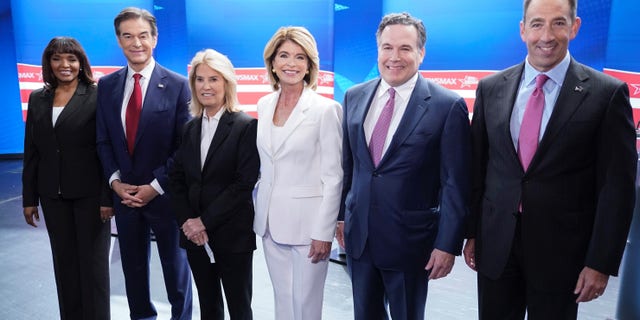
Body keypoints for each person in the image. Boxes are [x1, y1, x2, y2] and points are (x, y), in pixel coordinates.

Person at [463, 0, 636, 318]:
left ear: (575, 26)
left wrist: (600, 262)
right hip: (497, 247)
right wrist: (471, 232)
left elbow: (617, 188)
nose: (547, 35)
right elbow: (479, 169)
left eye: (558, 23)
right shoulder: (490, 89)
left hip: (563, 255)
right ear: (522, 29)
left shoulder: (606, 94)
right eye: (537, 23)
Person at [336, 12, 471, 320]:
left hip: (411, 244)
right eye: (387, 47)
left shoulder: (447, 105)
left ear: (421, 53)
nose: (394, 57)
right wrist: (342, 218)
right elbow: (351, 166)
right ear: (378, 50)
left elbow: (455, 184)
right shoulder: (355, 97)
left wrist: (447, 244)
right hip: (361, 239)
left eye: (405, 48)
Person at [96, 7, 192, 320]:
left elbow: (184, 147)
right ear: (119, 40)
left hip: (165, 197)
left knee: (175, 272)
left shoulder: (179, 85)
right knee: (133, 270)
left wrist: (154, 186)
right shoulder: (107, 86)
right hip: (124, 198)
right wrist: (114, 183)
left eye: (142, 35)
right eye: (127, 36)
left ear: (154, 38)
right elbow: (103, 140)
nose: (136, 43)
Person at [252, 26, 343, 320]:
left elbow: (334, 177)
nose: (291, 64)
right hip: (269, 223)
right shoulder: (264, 104)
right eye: (284, 56)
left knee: (305, 305)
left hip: (308, 228)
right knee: (283, 303)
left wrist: (324, 232)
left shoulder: (325, 109)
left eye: (299, 57)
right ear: (273, 62)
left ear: (309, 65)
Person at [22, 36, 112, 320]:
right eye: (57, 58)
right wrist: (29, 199)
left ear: (81, 62)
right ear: (48, 62)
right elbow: (32, 151)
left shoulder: (98, 95)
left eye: (71, 59)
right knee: (65, 265)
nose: (65, 65)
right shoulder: (38, 98)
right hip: (52, 196)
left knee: (93, 267)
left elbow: (106, 150)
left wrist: (107, 196)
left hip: (90, 197)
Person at [169, 49, 260, 320]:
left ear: (227, 83)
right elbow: (177, 178)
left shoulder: (246, 126)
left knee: (239, 309)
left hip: (233, 236)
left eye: (213, 79)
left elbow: (243, 183)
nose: (205, 86)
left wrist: (203, 221)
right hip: (194, 237)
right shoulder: (189, 128)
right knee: (208, 308)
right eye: (199, 79)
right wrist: (188, 221)